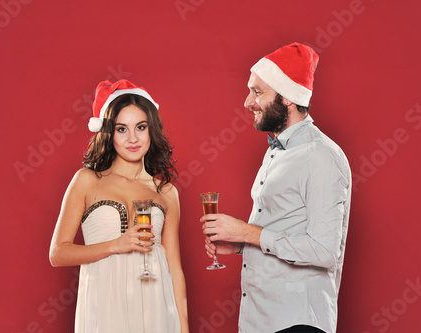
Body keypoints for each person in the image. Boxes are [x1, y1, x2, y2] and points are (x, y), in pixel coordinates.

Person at [202, 42, 351, 333]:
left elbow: (323, 251)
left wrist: (246, 232)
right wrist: (241, 245)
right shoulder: (277, 150)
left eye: (257, 92)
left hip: (297, 322)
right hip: (262, 320)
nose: (248, 102)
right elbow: (286, 230)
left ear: (289, 99)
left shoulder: (320, 155)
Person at [49, 79, 189, 333]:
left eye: (141, 127)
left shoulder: (166, 192)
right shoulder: (87, 180)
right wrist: (116, 245)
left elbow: (175, 271)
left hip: (156, 305)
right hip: (104, 305)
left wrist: (185, 329)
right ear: (108, 133)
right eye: (121, 129)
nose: (133, 138)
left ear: (151, 130)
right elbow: (57, 253)